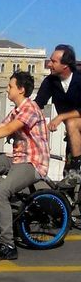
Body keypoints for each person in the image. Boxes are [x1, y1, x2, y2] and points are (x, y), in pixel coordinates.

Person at [0, 69, 50, 262]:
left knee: (2, 192)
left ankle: (7, 245)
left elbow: (9, 129)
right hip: (16, 157)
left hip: (32, 162)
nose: (7, 89)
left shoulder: (30, 108)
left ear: (21, 90)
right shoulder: (16, 110)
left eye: (10, 86)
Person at [33, 44, 81, 189]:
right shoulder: (50, 81)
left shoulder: (79, 79)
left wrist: (61, 117)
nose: (49, 64)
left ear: (65, 65)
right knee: (67, 182)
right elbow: (37, 105)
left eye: (53, 61)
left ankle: (77, 166)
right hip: (74, 135)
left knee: (71, 122)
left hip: (73, 125)